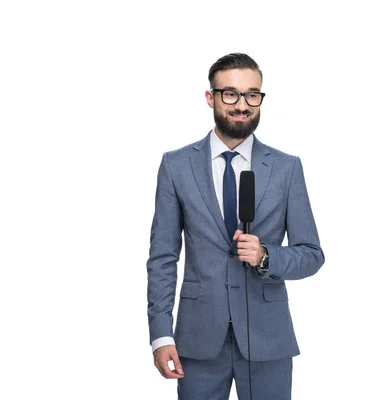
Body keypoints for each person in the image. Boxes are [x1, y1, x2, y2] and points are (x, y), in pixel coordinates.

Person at [146, 53, 325, 400]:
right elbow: (163, 258)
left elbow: (312, 255)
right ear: (211, 97)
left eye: (252, 95)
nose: (242, 105)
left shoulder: (287, 168)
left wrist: (265, 256)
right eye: (230, 94)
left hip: (268, 340)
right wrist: (161, 335)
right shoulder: (176, 165)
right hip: (198, 341)